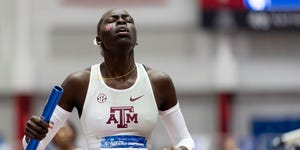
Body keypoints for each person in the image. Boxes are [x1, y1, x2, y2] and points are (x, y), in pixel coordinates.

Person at [23, 8, 195, 150]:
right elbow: (33, 146)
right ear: (99, 40)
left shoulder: (159, 82)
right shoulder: (79, 83)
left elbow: (185, 141)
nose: (121, 21)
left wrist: (181, 149)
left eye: (128, 19)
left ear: (136, 39)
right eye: (112, 20)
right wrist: (32, 134)